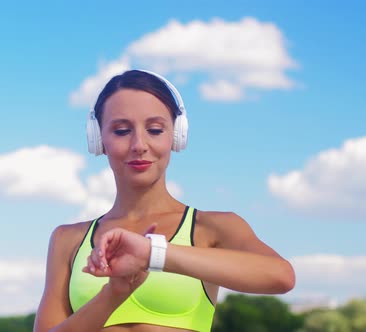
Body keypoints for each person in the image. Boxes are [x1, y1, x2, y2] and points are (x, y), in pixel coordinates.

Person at [33, 69, 295, 332]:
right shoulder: (68, 239)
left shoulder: (213, 227)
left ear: (176, 135)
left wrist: (153, 254)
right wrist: (114, 293)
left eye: (155, 130)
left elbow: (281, 276)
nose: (139, 144)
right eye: (122, 131)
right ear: (98, 139)